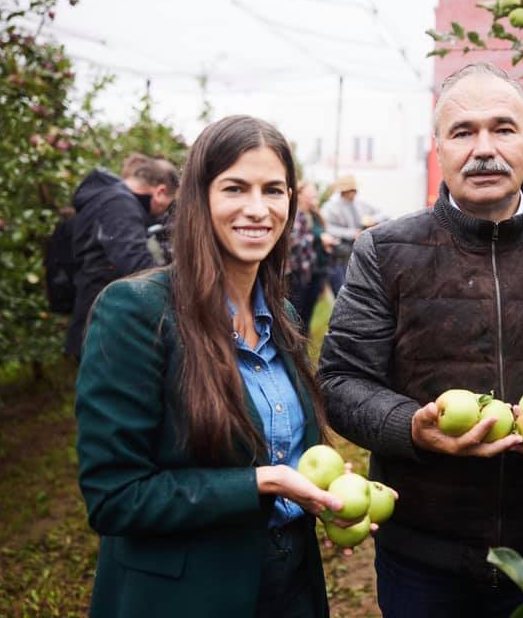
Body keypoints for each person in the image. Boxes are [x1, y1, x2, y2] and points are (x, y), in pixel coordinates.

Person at [319, 63, 523, 617]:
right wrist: (413, 429)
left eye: (502, 128)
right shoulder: (384, 251)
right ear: (440, 149)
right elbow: (340, 381)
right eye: (462, 131)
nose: (483, 148)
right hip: (423, 554)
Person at [75, 115, 346, 618]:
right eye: (235, 188)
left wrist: (325, 495)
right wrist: (262, 483)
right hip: (186, 595)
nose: (257, 209)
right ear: (198, 198)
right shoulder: (137, 311)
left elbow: (294, 453)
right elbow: (114, 496)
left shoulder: (282, 317)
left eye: (274, 190)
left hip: (289, 585)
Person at [64, 156, 178, 360]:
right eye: (166, 207)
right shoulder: (119, 204)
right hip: (103, 320)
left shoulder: (111, 199)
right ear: (160, 192)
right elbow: (135, 263)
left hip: (99, 312)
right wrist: (178, 285)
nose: (162, 215)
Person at [319, 173, 387, 296]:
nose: (354, 193)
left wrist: (372, 220)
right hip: (340, 253)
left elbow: (383, 214)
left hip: (360, 250)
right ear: (344, 191)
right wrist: (350, 233)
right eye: (351, 190)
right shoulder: (331, 207)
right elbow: (326, 227)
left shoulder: (361, 203)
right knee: (342, 288)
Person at [288, 181, 336, 333]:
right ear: (300, 195)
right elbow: (295, 241)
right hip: (299, 272)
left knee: (307, 314)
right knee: (297, 313)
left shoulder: (315, 215)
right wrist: (318, 238)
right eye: (311, 194)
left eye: (315, 194)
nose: (314, 197)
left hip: (317, 270)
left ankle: (301, 350)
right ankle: (295, 349)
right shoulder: (295, 215)